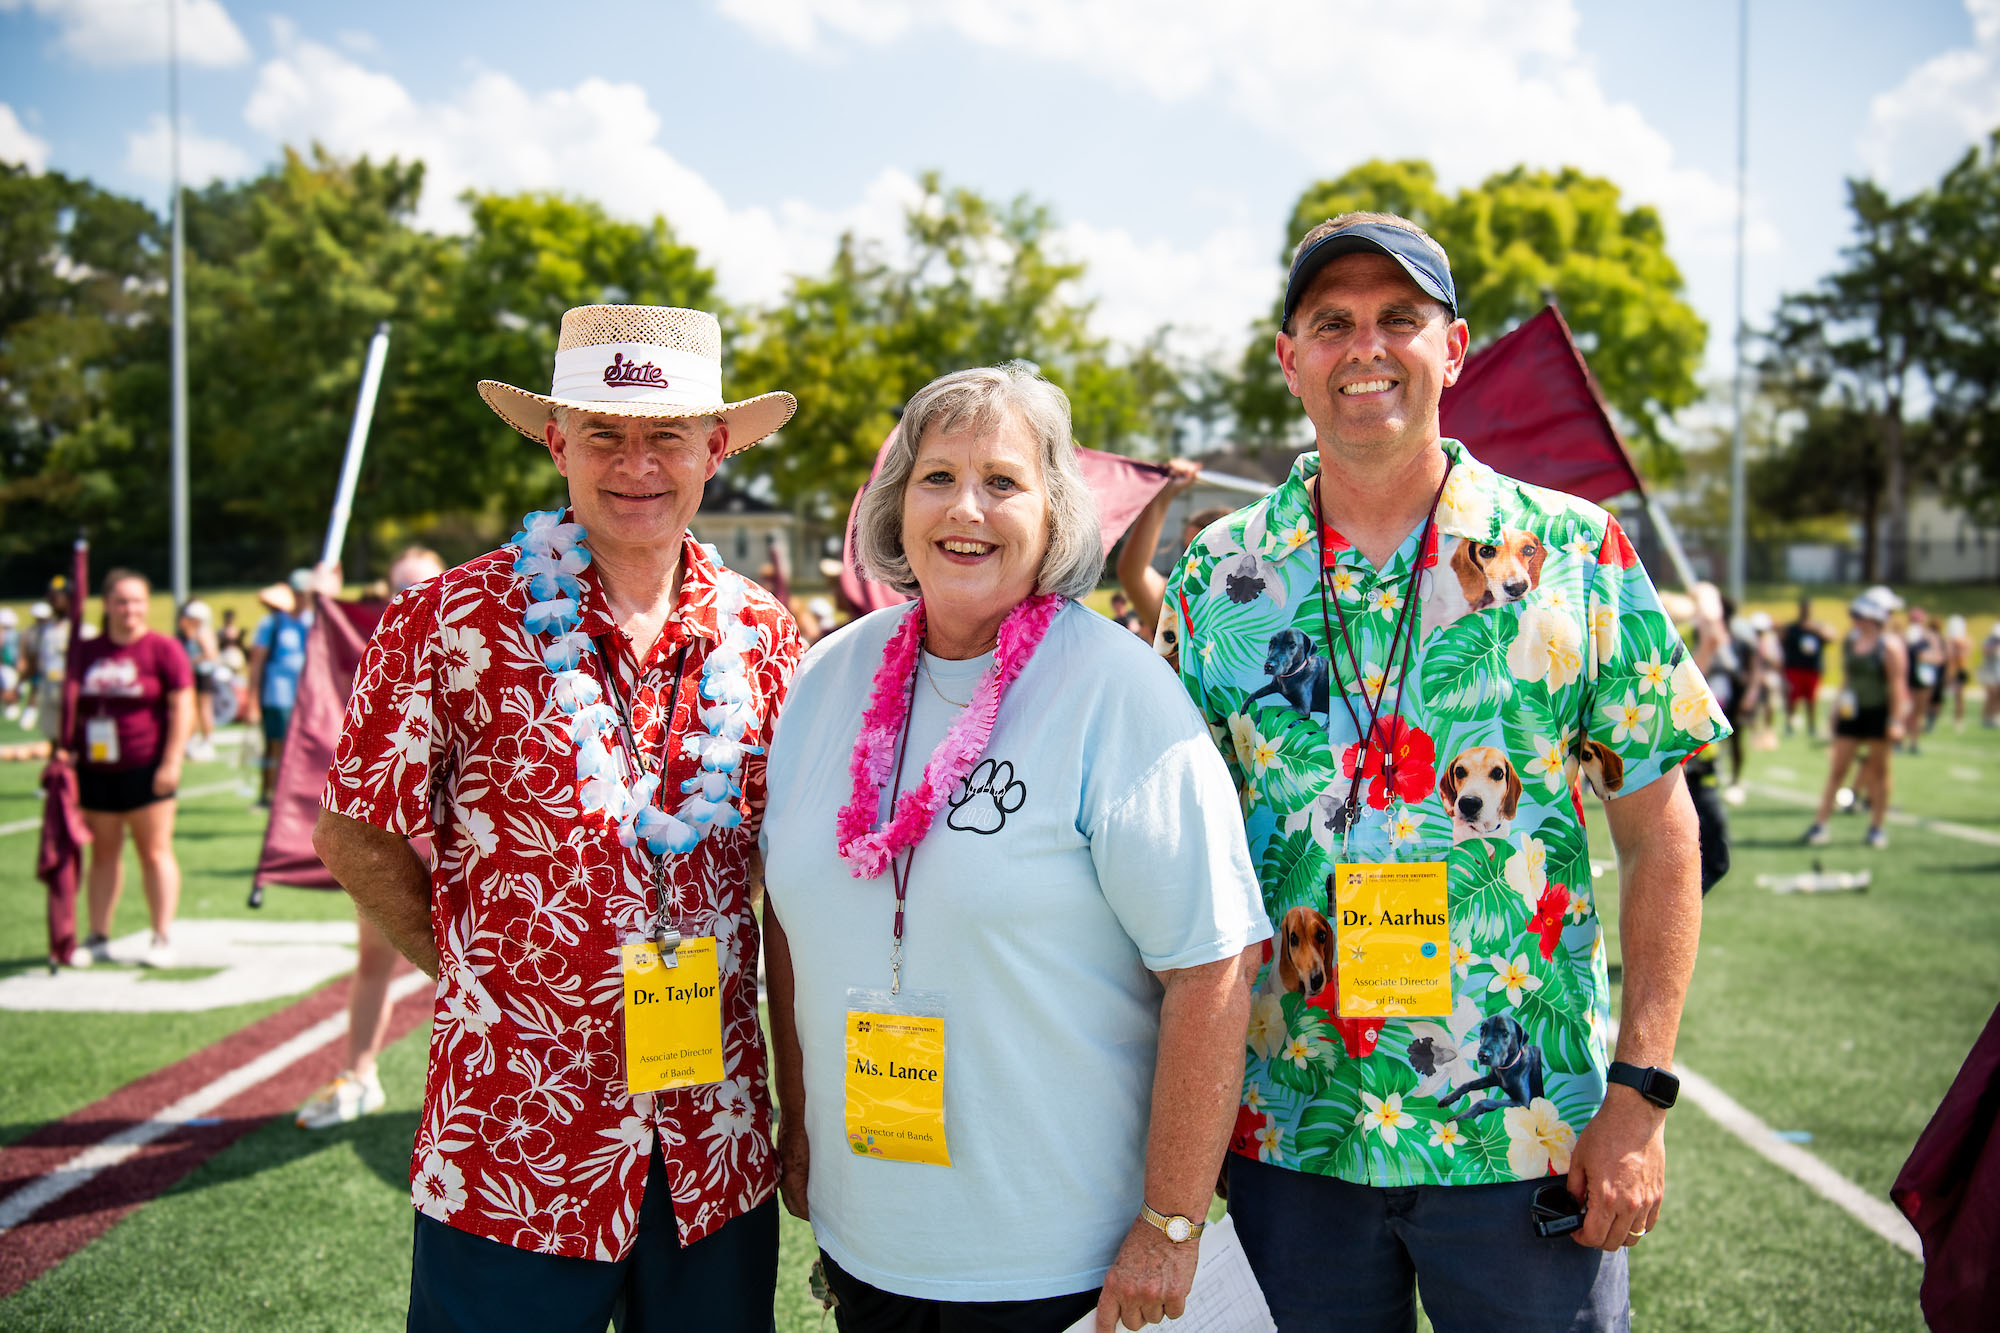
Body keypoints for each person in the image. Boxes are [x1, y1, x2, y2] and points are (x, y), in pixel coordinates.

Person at [1158, 212, 1718, 1330]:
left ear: (1451, 349)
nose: (1364, 348)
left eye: (1397, 320)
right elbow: (1173, 875)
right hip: (1291, 1132)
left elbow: (1662, 834)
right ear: (1289, 359)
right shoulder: (1218, 575)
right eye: (1331, 323)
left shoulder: (1572, 552)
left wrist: (1640, 1098)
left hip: (1526, 1135)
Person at [312, 304, 801, 1331]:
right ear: (554, 440)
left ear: (714, 447)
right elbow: (352, 827)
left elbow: (786, 869)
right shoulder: (446, 620)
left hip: (711, 1147)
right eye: (603, 433)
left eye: (666, 434)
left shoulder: (763, 632)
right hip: (511, 1135)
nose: (636, 463)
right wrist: (465, 964)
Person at [759, 363, 1269, 1332]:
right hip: (869, 1245)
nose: (966, 509)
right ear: (895, 505)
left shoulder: (1114, 692)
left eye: (1002, 481)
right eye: (935, 477)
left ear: (1055, 514)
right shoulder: (826, 678)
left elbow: (1213, 961)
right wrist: (799, 1119)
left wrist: (1168, 1223)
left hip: (1060, 1270)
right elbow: (785, 919)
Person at [296, 545, 444, 1131]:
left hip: (459, 830)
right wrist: (322, 607)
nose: (408, 596)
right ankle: (360, 1072)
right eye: (398, 585)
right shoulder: (384, 635)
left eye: (421, 585)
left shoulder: (466, 627)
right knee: (377, 953)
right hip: (392, 829)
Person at [67, 569, 194, 969]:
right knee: (102, 854)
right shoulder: (87, 651)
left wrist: (172, 760)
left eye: (137, 600)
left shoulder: (163, 648)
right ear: (106, 604)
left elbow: (183, 707)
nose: (130, 609)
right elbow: (71, 706)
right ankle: (98, 935)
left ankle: (161, 935)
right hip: (96, 768)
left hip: (147, 766)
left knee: (154, 853)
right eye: (122, 601)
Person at [1804, 589, 1907, 849]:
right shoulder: (1851, 641)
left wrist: (1896, 720)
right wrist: (1837, 708)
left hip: (1878, 714)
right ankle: (1821, 824)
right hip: (1853, 712)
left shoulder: (1890, 646)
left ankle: (1877, 827)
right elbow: (1848, 679)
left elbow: (1897, 685)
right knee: (1838, 770)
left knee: (1879, 772)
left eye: (1860, 615)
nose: (1855, 619)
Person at [246, 572, 313, 806]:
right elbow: (256, 663)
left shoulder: (312, 621)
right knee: (276, 745)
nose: (303, 598)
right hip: (277, 695)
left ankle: (292, 794)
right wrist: (252, 699)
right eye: (299, 593)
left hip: (305, 698)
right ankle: (269, 793)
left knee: (300, 749)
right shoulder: (272, 623)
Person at [1780, 597, 1834, 737]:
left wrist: (1815, 629)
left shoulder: (1817, 627)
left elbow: (1831, 637)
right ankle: (1790, 725)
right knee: (1792, 699)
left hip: (1812, 669)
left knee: (1812, 700)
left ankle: (1811, 726)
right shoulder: (1792, 628)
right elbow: (1782, 641)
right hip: (1794, 668)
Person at [177, 600, 222, 762]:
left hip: (203, 673)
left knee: (203, 707)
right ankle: (193, 740)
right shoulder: (194, 632)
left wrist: (190, 661)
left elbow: (210, 654)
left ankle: (207, 740)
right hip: (197, 673)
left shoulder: (202, 633)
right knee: (194, 708)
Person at [1902, 605, 1943, 753]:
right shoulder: (1922, 636)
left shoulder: (1907, 634)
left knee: (1910, 711)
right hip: (1918, 679)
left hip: (1911, 678)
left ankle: (1905, 742)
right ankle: (1911, 743)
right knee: (1915, 712)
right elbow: (1933, 657)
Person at [1942, 614, 1970, 729]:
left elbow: (1962, 657)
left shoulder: (1964, 641)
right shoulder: (1948, 640)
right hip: (1949, 669)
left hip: (1958, 670)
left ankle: (1958, 720)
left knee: (1959, 697)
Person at [1979, 622, 2000, 729]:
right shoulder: (1989, 641)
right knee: (1991, 695)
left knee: (1998, 696)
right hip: (1990, 672)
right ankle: (1987, 717)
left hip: (1997, 672)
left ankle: (1995, 717)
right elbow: (1985, 651)